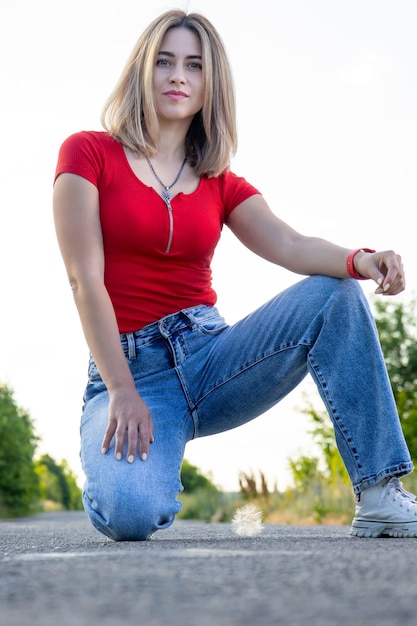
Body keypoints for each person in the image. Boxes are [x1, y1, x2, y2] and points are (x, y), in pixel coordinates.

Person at [53, 9, 417, 541]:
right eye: (165, 62)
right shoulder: (87, 154)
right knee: (128, 514)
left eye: (195, 66)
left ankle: (381, 490)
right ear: (142, 71)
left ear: (209, 83)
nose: (179, 76)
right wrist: (120, 388)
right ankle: (121, 463)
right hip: (130, 371)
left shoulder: (219, 179)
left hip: (211, 358)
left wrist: (362, 260)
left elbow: (290, 243)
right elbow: (84, 279)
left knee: (333, 295)